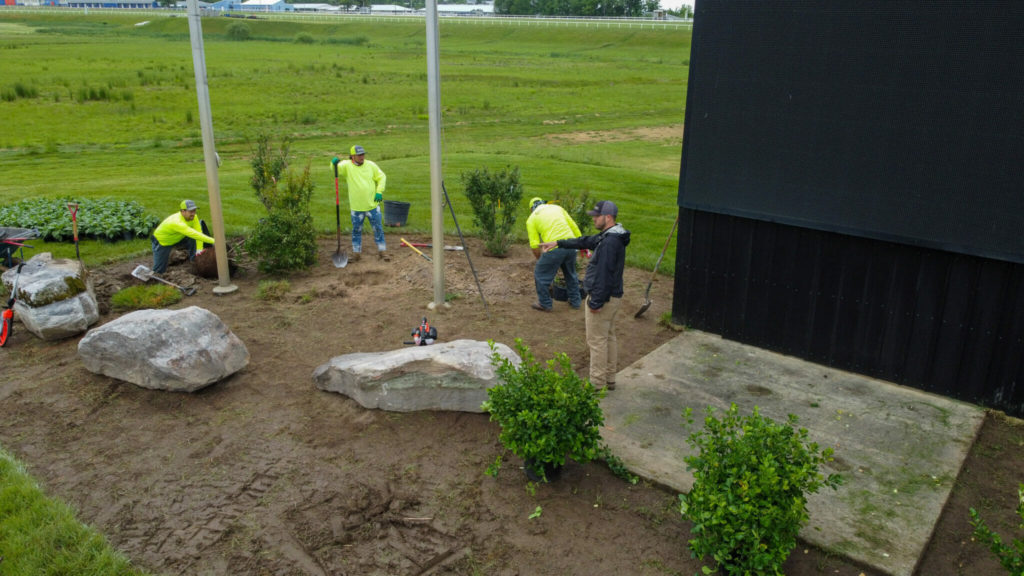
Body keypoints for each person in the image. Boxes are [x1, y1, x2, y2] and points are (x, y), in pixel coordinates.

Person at [540, 200, 629, 390]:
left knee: (597, 341)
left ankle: (596, 384)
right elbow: (586, 241)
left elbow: (604, 274)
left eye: (597, 216)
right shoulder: (611, 236)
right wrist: (558, 243)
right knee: (608, 337)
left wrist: (596, 302)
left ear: (608, 217)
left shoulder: (609, 243)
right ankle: (609, 378)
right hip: (613, 296)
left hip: (604, 298)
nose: (594, 219)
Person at [331, 145, 389, 262]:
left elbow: (382, 177)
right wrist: (333, 163)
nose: (362, 157)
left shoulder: (371, 165)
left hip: (372, 206)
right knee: (356, 231)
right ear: (352, 156)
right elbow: (335, 169)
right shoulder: (347, 166)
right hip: (356, 207)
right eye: (359, 155)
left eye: (363, 154)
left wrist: (379, 191)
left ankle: (382, 252)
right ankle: (356, 254)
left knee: (378, 229)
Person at [525, 197, 582, 312]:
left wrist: (540, 259)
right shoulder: (557, 208)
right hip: (571, 245)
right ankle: (575, 301)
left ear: (531, 209)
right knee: (570, 273)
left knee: (540, 274)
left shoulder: (532, 218)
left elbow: (535, 245)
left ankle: (545, 303)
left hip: (554, 248)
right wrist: (581, 243)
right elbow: (573, 226)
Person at [151, 199, 215, 274]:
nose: (193, 213)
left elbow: (198, 232)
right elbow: (193, 234)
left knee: (193, 238)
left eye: (194, 211)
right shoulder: (176, 222)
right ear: (183, 211)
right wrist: (214, 241)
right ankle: (155, 276)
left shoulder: (194, 217)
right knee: (159, 270)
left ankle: (194, 260)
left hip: (178, 236)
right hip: (162, 242)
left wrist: (199, 249)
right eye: (190, 211)